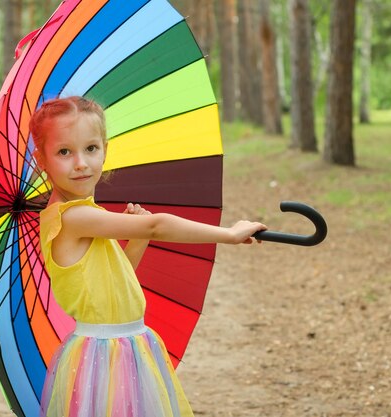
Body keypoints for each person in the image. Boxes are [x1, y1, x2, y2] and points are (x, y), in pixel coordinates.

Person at [30, 96, 267, 417]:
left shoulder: (88, 215)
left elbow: (117, 282)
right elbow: (157, 226)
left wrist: (137, 240)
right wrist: (229, 233)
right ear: (41, 159)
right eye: (63, 152)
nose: (81, 163)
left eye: (90, 148)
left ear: (105, 149)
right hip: (103, 354)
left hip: (130, 344)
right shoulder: (71, 218)